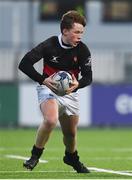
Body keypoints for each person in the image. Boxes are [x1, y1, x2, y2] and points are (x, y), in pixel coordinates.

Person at [19, 10, 92, 173]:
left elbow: (88, 77)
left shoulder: (82, 50)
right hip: (48, 89)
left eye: (82, 32)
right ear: (65, 31)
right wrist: (43, 80)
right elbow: (24, 64)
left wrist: (77, 85)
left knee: (70, 135)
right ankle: (35, 156)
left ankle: (71, 157)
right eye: (77, 32)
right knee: (51, 120)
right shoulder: (49, 44)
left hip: (70, 93)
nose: (80, 36)